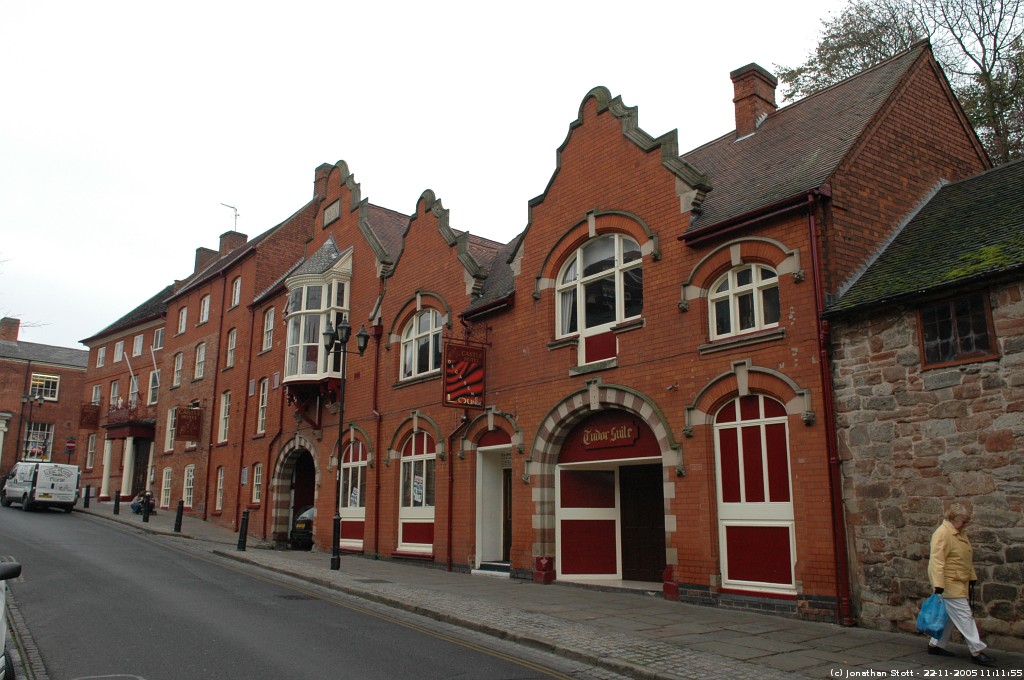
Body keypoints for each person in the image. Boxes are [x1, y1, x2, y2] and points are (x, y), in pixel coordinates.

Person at [927, 502, 996, 667]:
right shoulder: (942, 534)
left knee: (950, 617)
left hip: (958, 581)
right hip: (949, 583)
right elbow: (936, 561)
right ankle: (976, 650)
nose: (965, 524)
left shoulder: (959, 533)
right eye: (962, 521)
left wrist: (971, 576)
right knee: (965, 616)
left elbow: (964, 557)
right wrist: (938, 585)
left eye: (966, 521)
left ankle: (935, 645)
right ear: (952, 517)